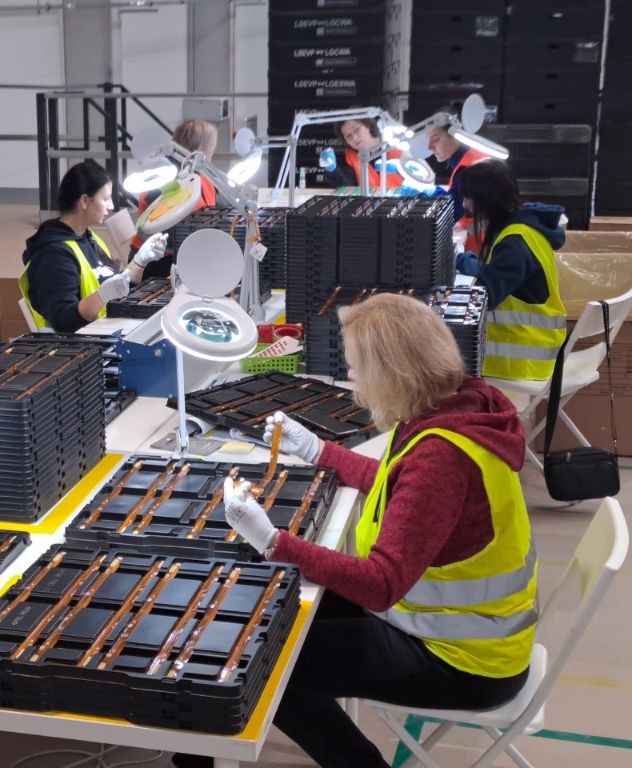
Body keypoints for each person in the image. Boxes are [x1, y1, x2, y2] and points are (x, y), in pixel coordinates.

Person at [177, 293, 537, 768]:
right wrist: (318, 451)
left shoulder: (441, 456)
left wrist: (274, 542)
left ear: (393, 374)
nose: (350, 376)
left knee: (268, 666)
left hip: (463, 661)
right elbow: (399, 487)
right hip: (448, 625)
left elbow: (380, 583)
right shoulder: (458, 409)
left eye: (355, 366)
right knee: (279, 610)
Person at [21, 160, 166, 333]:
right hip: (85, 343)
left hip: (110, 330)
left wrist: (140, 261)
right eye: (105, 199)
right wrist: (102, 296)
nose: (111, 206)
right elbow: (63, 322)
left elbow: (114, 285)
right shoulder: (54, 254)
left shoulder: (89, 237)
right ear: (84, 201)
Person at [456, 159, 567, 381]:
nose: (466, 205)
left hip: (519, 358)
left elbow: (483, 297)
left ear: (487, 198)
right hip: (531, 348)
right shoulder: (523, 228)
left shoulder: (515, 243)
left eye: (469, 197)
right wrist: (464, 261)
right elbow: (497, 272)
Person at [129, 119, 220, 280]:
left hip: (189, 255)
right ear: (204, 149)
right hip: (155, 262)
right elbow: (165, 237)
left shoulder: (203, 178)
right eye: (212, 147)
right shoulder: (164, 179)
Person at [424, 103, 491, 251]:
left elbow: (451, 212)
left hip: (478, 246)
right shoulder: (471, 155)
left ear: (455, 135)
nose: (430, 147)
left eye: (435, 139)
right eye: (428, 140)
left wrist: (427, 191)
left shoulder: (467, 168)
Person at [319, 117, 403, 190]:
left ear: (368, 125)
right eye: (348, 136)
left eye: (356, 130)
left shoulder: (399, 146)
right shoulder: (351, 156)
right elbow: (346, 187)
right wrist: (332, 170)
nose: (354, 138)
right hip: (370, 202)